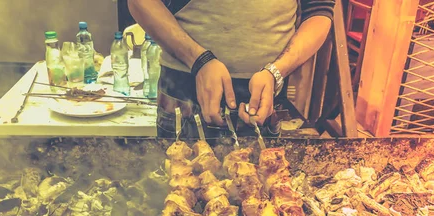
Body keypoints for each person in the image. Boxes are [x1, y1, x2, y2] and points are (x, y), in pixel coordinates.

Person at [128, 0, 335, 138]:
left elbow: (319, 12)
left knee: (263, 198)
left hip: (265, 95)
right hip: (184, 91)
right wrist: (198, 59)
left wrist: (277, 70)